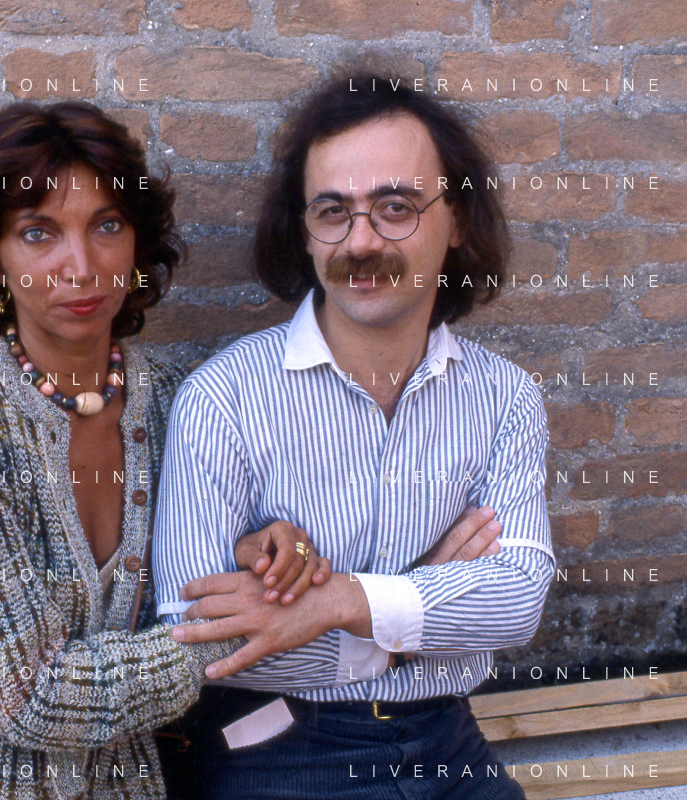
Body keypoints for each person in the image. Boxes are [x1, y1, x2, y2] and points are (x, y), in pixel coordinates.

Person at [0, 100, 338, 800]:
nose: (80, 267)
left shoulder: (179, 401)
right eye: (37, 233)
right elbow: (30, 695)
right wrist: (253, 627)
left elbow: (200, 566)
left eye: (106, 226)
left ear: (137, 244)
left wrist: (260, 552)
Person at [154, 74, 555, 798]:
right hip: (276, 746)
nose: (360, 242)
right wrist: (418, 607)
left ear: (457, 220)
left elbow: (517, 599)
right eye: (332, 211)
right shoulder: (223, 398)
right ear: (303, 230)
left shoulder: (505, 398)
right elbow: (196, 636)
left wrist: (336, 600)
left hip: (447, 737)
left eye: (395, 207)